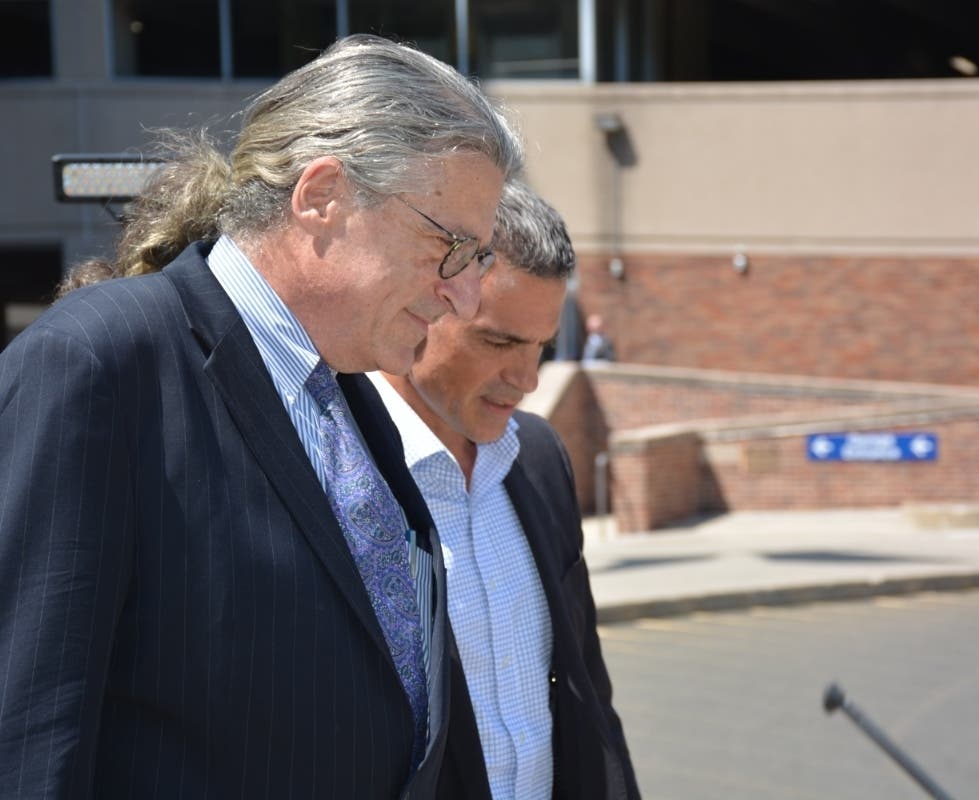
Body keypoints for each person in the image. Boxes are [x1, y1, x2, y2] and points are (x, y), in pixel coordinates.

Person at [0, 34, 522, 799]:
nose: (463, 296)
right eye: (448, 247)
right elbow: (29, 738)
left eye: (475, 261)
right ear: (321, 198)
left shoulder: (345, 390)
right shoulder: (97, 365)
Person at [370, 180, 640, 798]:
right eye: (498, 341)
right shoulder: (337, 469)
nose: (526, 379)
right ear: (425, 303)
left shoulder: (541, 457)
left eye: (543, 347)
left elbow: (586, 690)